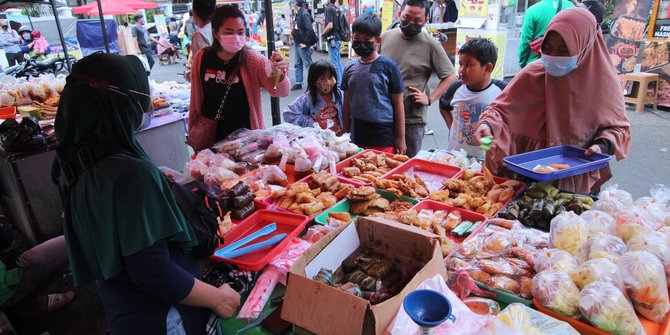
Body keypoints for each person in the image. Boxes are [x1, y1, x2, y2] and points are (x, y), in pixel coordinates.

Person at [52, 53, 241, 334]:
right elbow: (151, 269)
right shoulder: (131, 175)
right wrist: (219, 298)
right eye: (140, 98)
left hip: (121, 307)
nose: (145, 107)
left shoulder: (72, 163)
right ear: (118, 104)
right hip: (162, 316)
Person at [475, 8, 631, 194]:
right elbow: (499, 111)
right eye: (547, 49)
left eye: (564, 50)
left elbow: (618, 129)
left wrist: (602, 146)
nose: (554, 56)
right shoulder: (532, 74)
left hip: (572, 180)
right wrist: (487, 126)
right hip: (522, 175)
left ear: (585, 46)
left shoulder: (603, 85)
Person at [188, 5, 291, 151]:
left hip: (247, 143)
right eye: (229, 32)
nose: (236, 37)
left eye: (240, 32)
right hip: (211, 138)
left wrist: (278, 73)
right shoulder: (202, 57)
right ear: (216, 33)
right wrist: (194, 128)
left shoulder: (252, 59)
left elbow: (281, 91)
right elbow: (195, 100)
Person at [380, 0, 457, 157]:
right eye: (407, 18)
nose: (411, 23)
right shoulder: (385, 37)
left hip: (412, 119)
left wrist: (430, 98)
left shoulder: (431, 44)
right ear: (399, 14)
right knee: (383, 164)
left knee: (409, 167)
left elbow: (450, 75)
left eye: (417, 20)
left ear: (425, 21)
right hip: (384, 115)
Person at [342, 14, 405, 154]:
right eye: (356, 39)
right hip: (358, 131)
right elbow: (346, 103)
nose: (360, 44)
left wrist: (401, 138)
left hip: (383, 133)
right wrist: (345, 133)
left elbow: (398, 104)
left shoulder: (389, 67)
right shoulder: (349, 68)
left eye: (366, 40)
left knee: (381, 170)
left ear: (377, 41)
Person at [439, 38, 506, 160]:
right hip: (455, 156)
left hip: (484, 159)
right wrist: (452, 128)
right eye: (461, 64)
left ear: (487, 68)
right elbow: (443, 107)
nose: (461, 70)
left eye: (468, 65)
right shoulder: (456, 87)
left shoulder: (502, 91)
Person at [0, 218, 73, 322]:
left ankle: (20, 305)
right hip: (7, 283)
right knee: (71, 244)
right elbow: (5, 236)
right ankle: (22, 306)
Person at [283, 60, 343, 134]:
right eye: (322, 78)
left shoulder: (340, 95)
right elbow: (289, 113)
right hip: (319, 141)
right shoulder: (307, 99)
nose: (327, 82)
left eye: (330, 77)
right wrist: (312, 124)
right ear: (314, 81)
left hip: (339, 140)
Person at [518, 0, 575, 68]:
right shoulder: (572, 8)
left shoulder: (533, 10)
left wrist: (522, 63)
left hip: (535, 64)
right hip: (563, 65)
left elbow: (525, 41)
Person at [185, 0, 216, 82]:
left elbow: (203, 69)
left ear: (194, 13)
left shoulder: (199, 35)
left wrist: (187, 75)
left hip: (211, 83)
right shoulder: (218, 28)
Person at [291, 0, 316, 91]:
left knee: (308, 64)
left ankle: (313, 85)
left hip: (302, 43)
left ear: (296, 4)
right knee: (298, 63)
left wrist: (306, 43)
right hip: (298, 42)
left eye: (293, 2)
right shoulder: (299, 13)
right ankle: (299, 83)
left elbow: (309, 28)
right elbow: (312, 23)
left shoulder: (304, 13)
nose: (292, 4)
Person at [321, 0, 343, 85]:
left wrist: (323, 33)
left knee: (334, 64)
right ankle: (341, 82)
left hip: (332, 39)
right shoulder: (336, 8)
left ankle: (338, 84)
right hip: (338, 38)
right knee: (337, 62)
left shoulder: (329, 9)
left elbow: (330, 25)